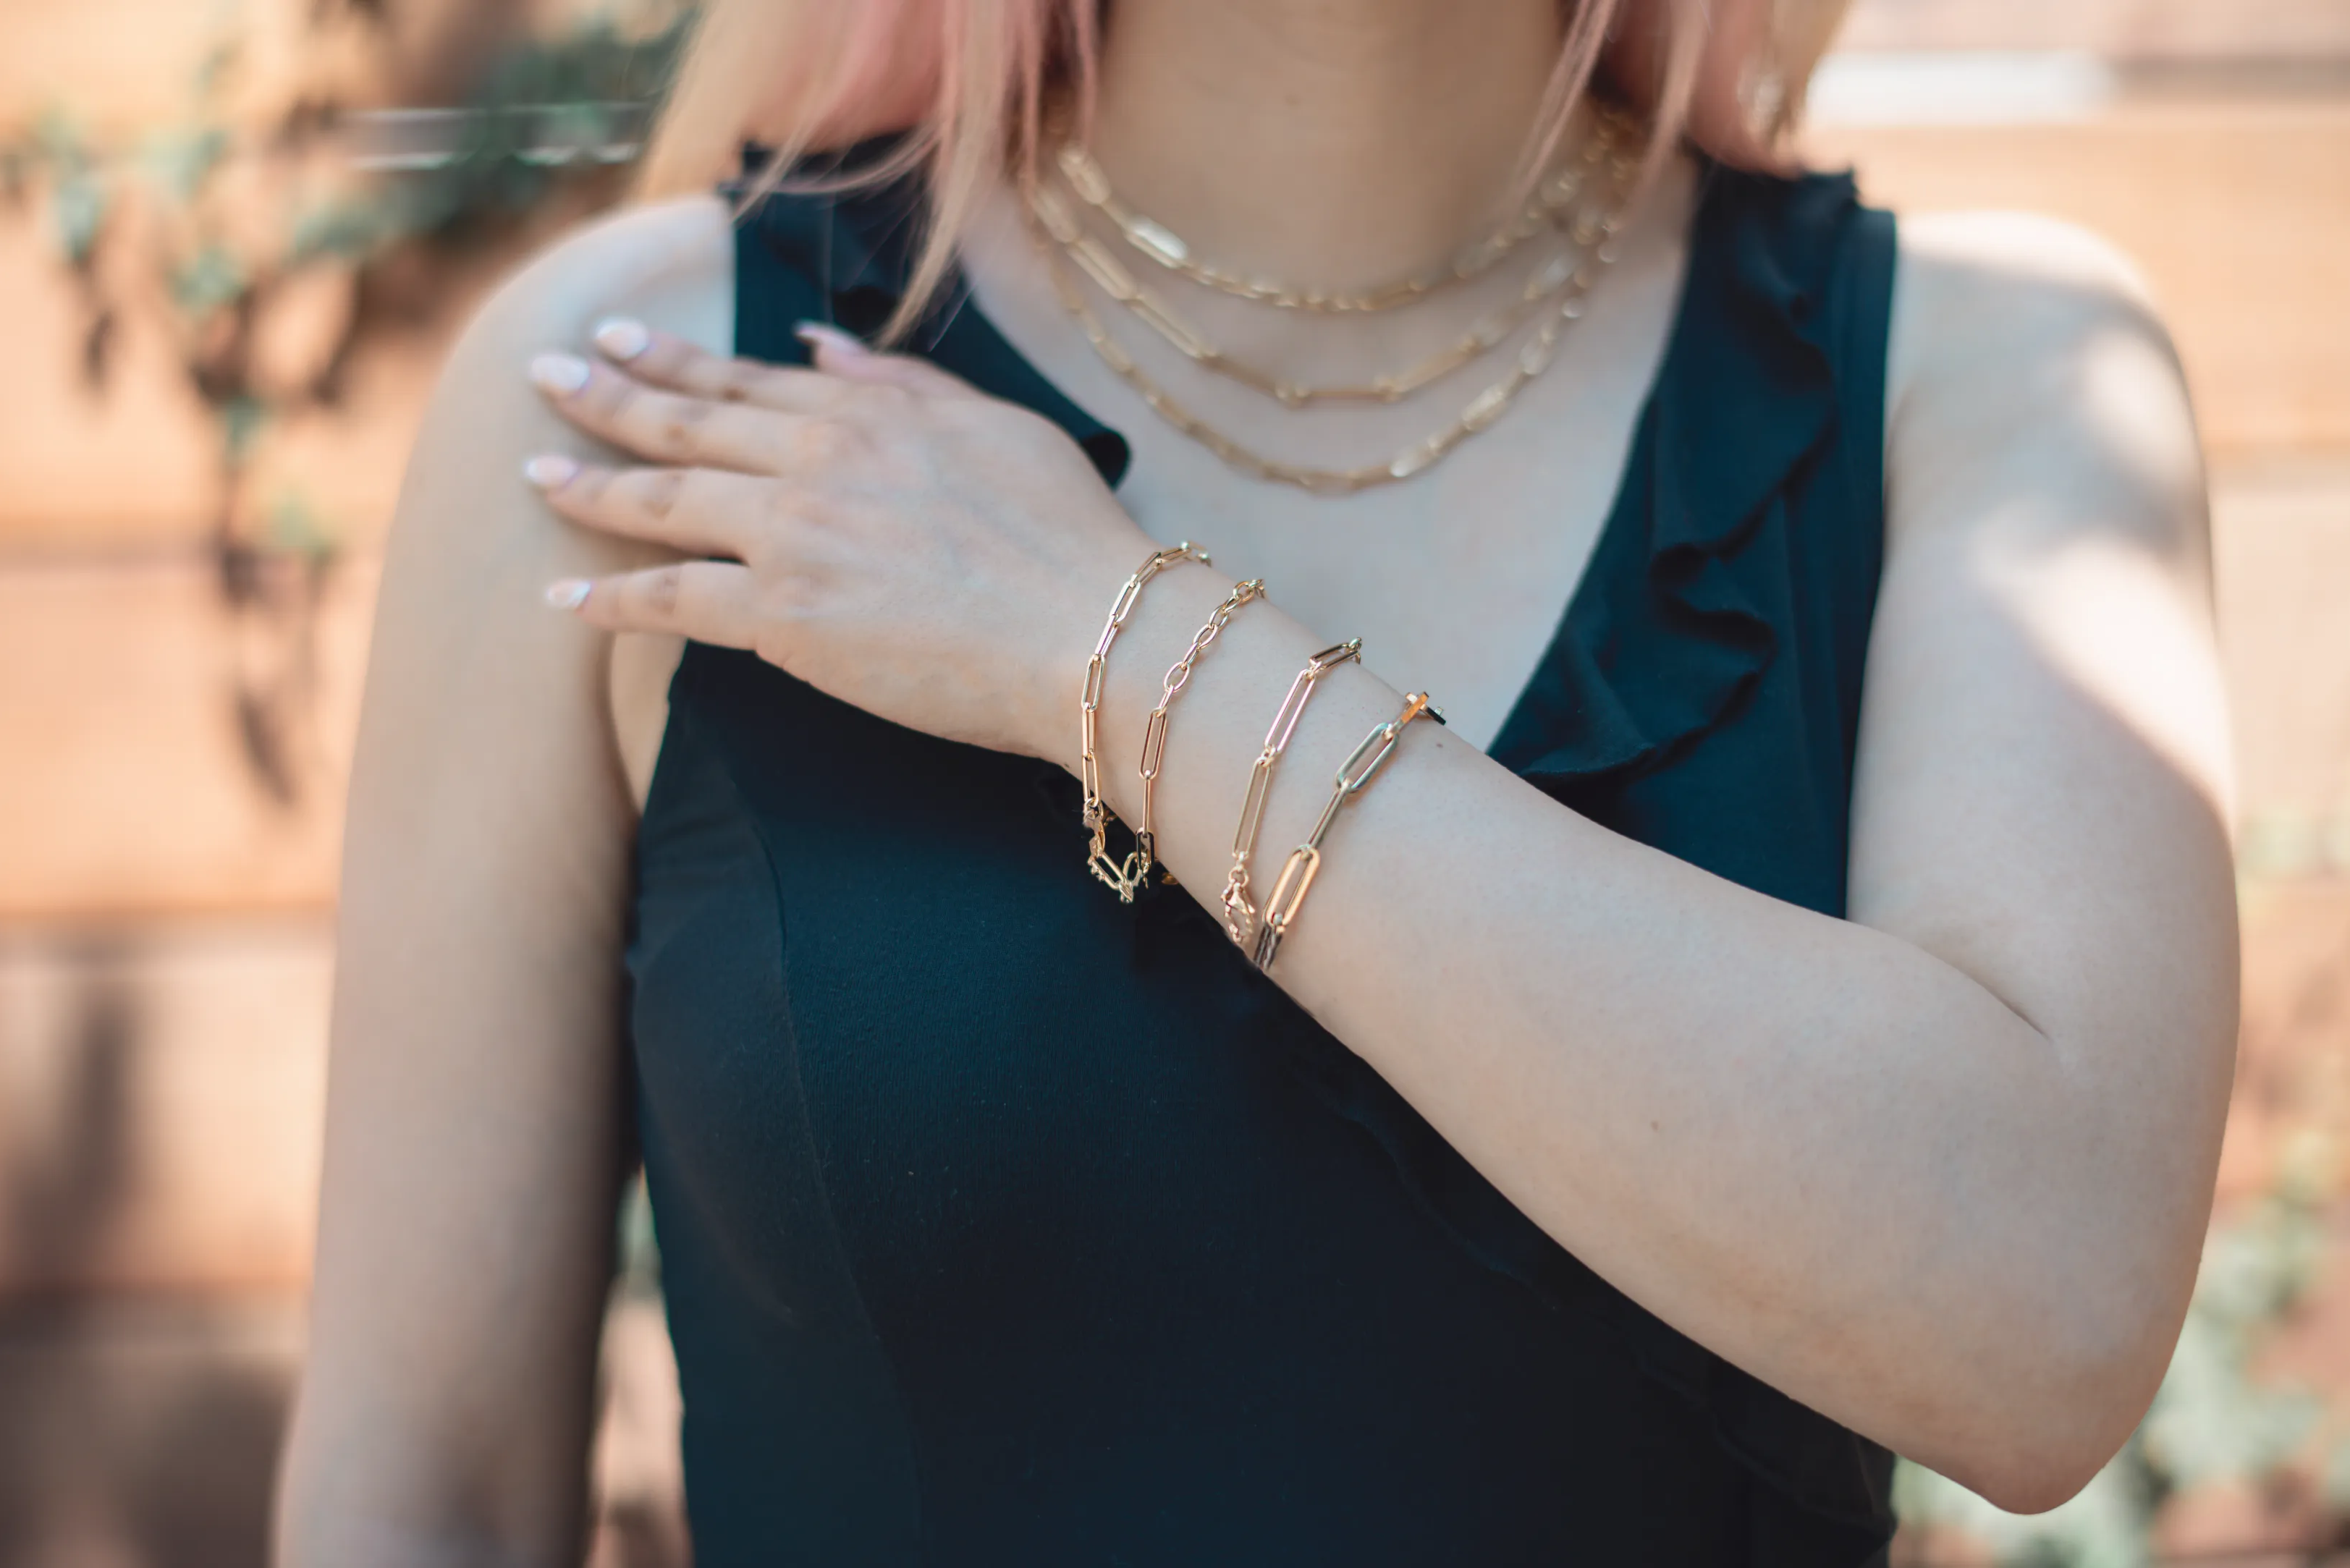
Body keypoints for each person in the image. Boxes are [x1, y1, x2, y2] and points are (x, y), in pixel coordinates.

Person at [274, 0, 2239, 1561]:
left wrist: (1102, 639)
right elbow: (415, 1501)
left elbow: (2044, 1313)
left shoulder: (1993, 379)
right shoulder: (639, 393)